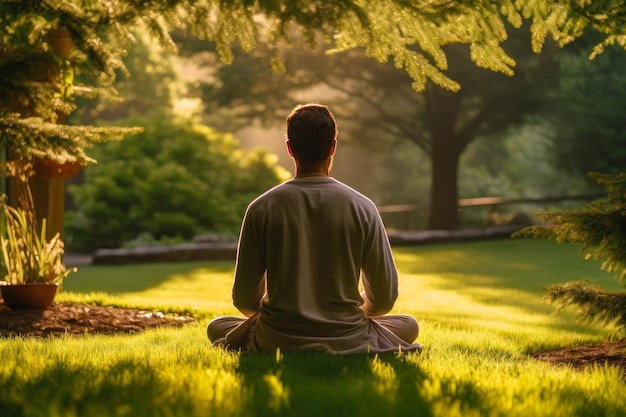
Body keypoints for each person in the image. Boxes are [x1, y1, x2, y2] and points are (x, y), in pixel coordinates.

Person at [207, 103, 421, 354]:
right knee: (408, 324)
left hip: (278, 334)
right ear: (332, 146)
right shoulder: (362, 206)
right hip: (347, 334)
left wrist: (288, 317)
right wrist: (339, 319)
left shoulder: (261, 207)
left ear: (289, 148)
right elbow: (384, 298)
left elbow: (243, 299)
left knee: (217, 326)